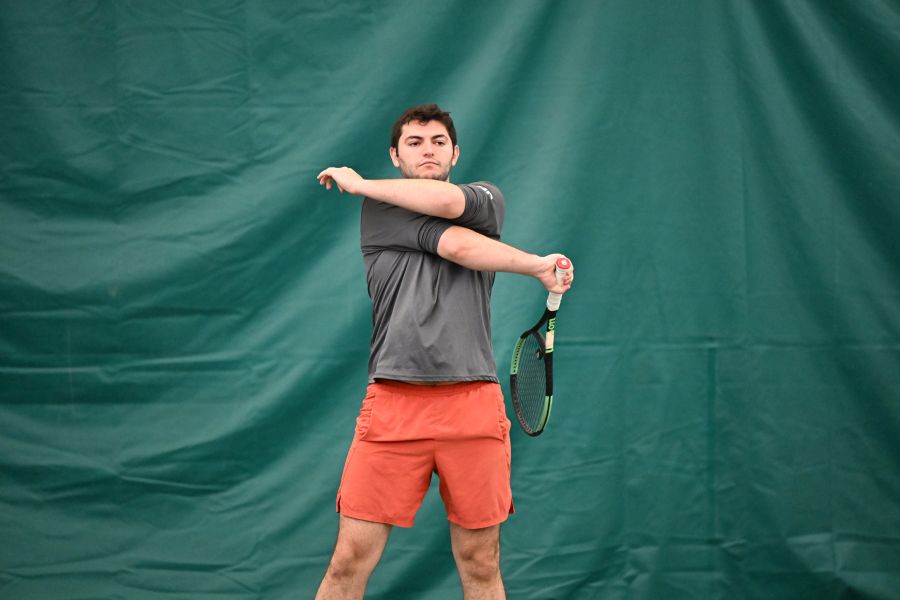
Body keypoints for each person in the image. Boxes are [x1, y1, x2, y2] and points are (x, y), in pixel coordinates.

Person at [315, 103, 573, 600]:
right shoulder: (380, 207)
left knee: (481, 562)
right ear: (395, 156)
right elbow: (454, 246)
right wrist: (535, 265)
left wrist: (360, 182)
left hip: (473, 406)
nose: (427, 150)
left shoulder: (486, 201)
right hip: (393, 406)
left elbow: (452, 214)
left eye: (438, 142)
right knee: (348, 561)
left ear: (456, 153)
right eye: (414, 143)